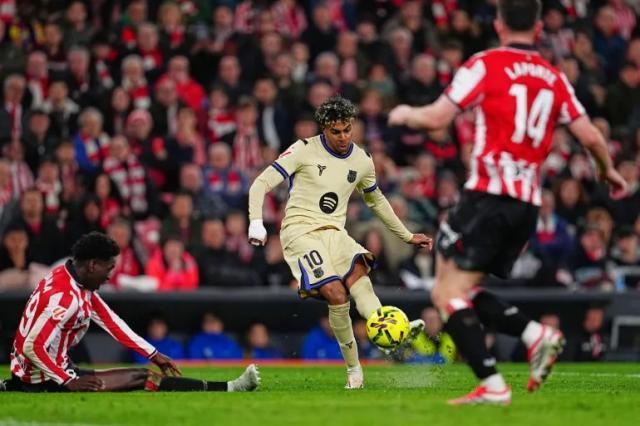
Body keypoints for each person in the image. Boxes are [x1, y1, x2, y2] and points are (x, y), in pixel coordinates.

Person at [388, 0, 627, 405]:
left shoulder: (486, 64)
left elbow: (436, 119)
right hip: (527, 206)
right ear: (538, 28)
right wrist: (608, 171)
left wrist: (404, 113)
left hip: (489, 195)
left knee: (445, 294)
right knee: (458, 289)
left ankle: (495, 383)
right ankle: (535, 335)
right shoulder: (554, 77)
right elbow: (590, 136)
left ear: (499, 24)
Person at [248, 95, 432, 389]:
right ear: (324, 128)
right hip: (300, 232)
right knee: (336, 294)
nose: (344, 137)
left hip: (335, 233)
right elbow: (260, 183)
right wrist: (256, 223)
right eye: (336, 131)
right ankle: (354, 370)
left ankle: (386, 330)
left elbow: (376, 201)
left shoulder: (362, 160)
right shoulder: (303, 149)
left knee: (359, 275)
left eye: (348, 130)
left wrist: (407, 235)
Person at [0, 232, 259, 393]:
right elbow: (32, 345)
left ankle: (12, 384)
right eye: (108, 268)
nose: (110, 275)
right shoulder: (66, 297)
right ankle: (231, 387)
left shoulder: (69, 278)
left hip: (46, 370)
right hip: (44, 379)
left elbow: (112, 322)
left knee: (142, 373)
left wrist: (153, 353)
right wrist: (66, 380)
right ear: (92, 265)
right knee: (144, 378)